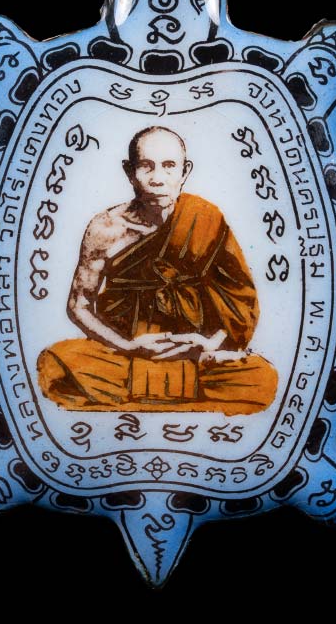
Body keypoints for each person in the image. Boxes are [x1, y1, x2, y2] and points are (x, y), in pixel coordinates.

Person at [37, 126, 277, 415]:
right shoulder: (105, 229)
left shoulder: (207, 219)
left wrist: (208, 344)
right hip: (123, 351)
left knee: (262, 378)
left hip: (192, 351)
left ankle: (140, 390)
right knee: (58, 362)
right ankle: (178, 390)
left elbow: (240, 299)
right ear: (129, 172)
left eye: (169, 166)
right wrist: (128, 346)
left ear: (185, 172)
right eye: (146, 166)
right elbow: (79, 305)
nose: (157, 179)